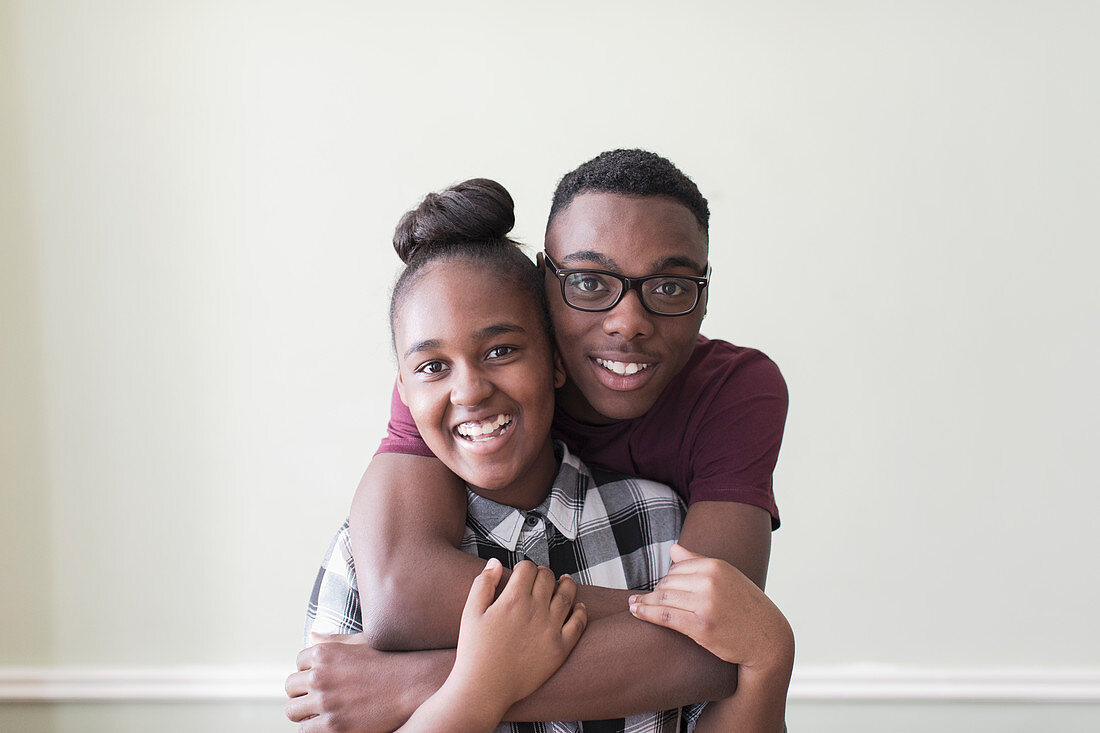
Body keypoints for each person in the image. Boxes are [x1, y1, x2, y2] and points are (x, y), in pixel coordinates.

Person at [288, 150, 792, 727]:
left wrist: (432, 684)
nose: (627, 321)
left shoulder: (718, 418)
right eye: (587, 281)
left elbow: (714, 640)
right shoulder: (453, 378)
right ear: (547, 288)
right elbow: (401, 594)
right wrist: (650, 619)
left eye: (672, 286)